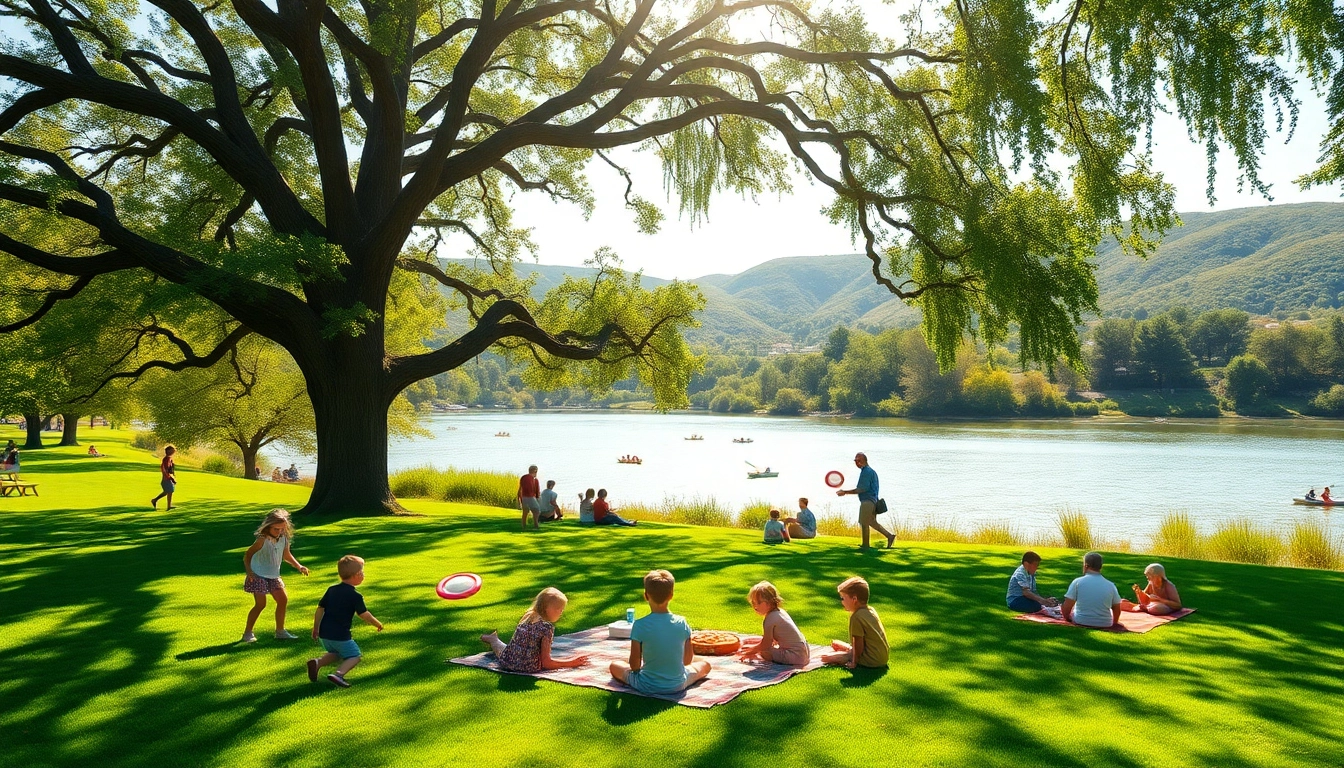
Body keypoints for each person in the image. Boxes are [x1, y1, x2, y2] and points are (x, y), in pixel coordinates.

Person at [610, 569, 711, 693]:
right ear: (671, 595)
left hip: (646, 684)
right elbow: (687, 661)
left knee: (615, 665)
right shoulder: (682, 623)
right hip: (678, 684)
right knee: (705, 665)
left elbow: (635, 666)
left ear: (646, 595)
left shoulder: (640, 625)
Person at [306, 555, 383, 688]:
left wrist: (316, 628)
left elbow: (320, 609)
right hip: (340, 635)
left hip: (324, 634)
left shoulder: (331, 590)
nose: (363, 575)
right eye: (362, 572)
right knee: (355, 655)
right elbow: (364, 614)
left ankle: (317, 663)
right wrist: (377, 623)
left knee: (336, 653)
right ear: (357, 575)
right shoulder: (355, 596)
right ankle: (339, 674)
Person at [478, 587, 589, 672]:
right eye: (558, 609)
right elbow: (547, 663)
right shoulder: (546, 627)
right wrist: (571, 663)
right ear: (546, 608)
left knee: (504, 649)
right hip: (529, 667)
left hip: (508, 661)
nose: (560, 612)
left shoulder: (528, 616)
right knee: (503, 648)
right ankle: (493, 639)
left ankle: (493, 639)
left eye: (561, 610)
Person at [241, 509, 310, 642]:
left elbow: (286, 555)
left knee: (283, 600)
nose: (279, 531)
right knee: (261, 604)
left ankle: (280, 631)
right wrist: (249, 571)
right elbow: (248, 555)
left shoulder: (283, 538)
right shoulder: (262, 540)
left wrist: (299, 566)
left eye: (282, 529)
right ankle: (248, 633)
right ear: (268, 526)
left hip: (273, 574)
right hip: (258, 574)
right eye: (276, 529)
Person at [821, 576, 889, 668]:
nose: (842, 602)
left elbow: (858, 643)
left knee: (826, 658)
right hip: (882, 657)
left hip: (871, 660)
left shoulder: (856, 617)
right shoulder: (870, 610)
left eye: (843, 598)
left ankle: (846, 655)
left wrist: (854, 662)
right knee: (842, 646)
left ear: (854, 599)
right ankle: (849, 650)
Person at [737, 581, 810, 666]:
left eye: (758, 603)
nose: (755, 606)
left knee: (764, 652)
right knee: (761, 644)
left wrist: (750, 652)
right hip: (803, 652)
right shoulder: (780, 612)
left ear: (768, 603)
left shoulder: (770, 619)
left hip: (796, 656)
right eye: (753, 603)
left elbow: (766, 645)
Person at [836, 452, 894, 549]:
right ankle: (889, 536)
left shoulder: (866, 472)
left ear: (864, 460)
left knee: (864, 523)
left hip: (868, 501)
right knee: (872, 522)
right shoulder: (871, 471)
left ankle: (866, 545)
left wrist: (845, 492)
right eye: (855, 461)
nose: (857, 463)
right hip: (873, 500)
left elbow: (861, 489)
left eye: (858, 460)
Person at [1061, 552, 1123, 628]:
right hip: (1105, 622)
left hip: (1081, 620)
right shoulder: (1111, 585)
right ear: (1100, 567)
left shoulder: (1078, 582)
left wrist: (1067, 618)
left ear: (1085, 566)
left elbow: (1067, 606)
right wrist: (1115, 622)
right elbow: (1116, 608)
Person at [151, 445, 177, 510]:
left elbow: (171, 470)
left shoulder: (169, 458)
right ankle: (168, 506)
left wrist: (173, 477)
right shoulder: (166, 459)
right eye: (172, 450)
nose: (174, 451)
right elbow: (165, 469)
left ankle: (155, 500)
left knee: (167, 492)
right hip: (166, 479)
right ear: (168, 451)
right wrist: (171, 478)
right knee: (169, 491)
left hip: (167, 479)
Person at [518, 465, 541, 530]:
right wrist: (537, 498)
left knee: (525, 512)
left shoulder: (523, 477)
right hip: (531, 497)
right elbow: (536, 491)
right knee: (537, 511)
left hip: (524, 497)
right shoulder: (534, 479)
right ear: (535, 471)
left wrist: (519, 498)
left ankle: (524, 526)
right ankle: (536, 525)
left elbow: (520, 488)